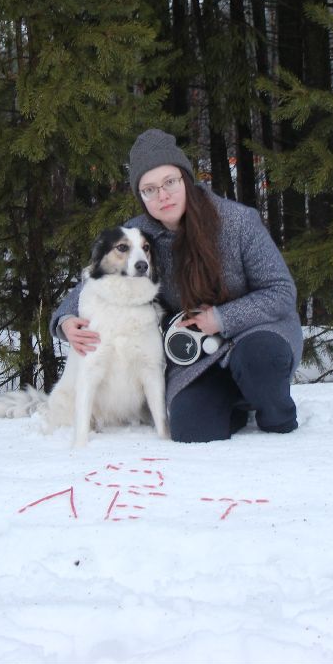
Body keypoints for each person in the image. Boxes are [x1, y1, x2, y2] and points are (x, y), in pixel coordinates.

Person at [50, 128, 302, 442]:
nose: (162, 196)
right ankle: (237, 400)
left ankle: (275, 413)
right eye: (149, 189)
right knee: (190, 427)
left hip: (254, 334)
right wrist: (65, 320)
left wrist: (221, 319)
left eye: (170, 182)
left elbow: (280, 291)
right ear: (140, 196)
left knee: (259, 360)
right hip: (195, 352)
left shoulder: (238, 222)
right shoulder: (138, 235)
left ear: (186, 178)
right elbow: (99, 276)